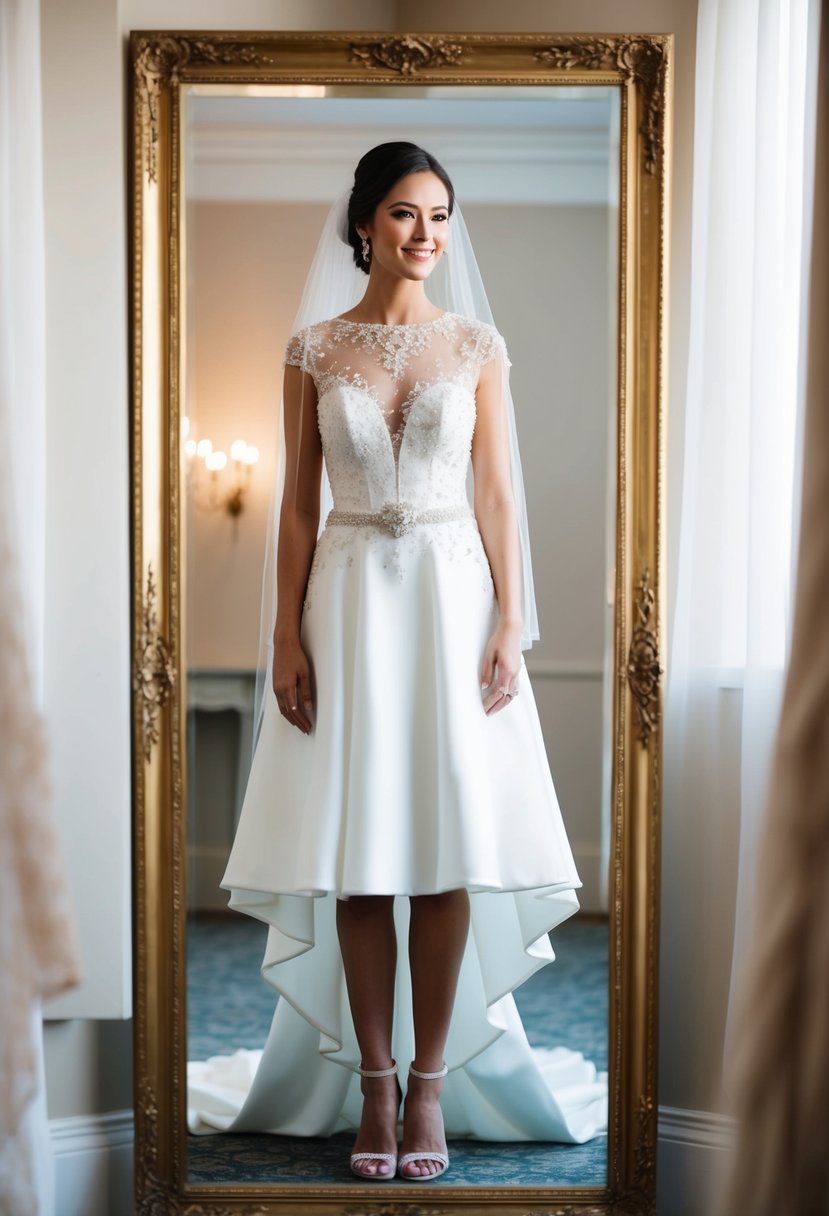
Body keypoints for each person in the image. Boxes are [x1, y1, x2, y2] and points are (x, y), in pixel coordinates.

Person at [190, 142, 606, 1181]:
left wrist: (515, 622)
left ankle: (430, 1088)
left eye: (438, 215)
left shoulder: (476, 345)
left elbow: (501, 494)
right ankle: (373, 1085)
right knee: (363, 852)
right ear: (365, 223)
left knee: (446, 846)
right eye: (404, 213)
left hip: (451, 599)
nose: (425, 234)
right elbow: (295, 506)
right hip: (347, 601)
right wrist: (284, 631)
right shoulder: (313, 348)